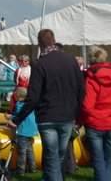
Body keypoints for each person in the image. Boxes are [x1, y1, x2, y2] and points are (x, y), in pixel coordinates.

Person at [8, 29, 85, 181]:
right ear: (54, 40)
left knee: (52, 158)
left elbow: (33, 97)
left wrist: (16, 119)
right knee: (58, 157)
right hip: (66, 116)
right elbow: (81, 90)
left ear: (39, 44)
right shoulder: (70, 61)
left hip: (48, 117)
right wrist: (76, 111)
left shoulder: (40, 64)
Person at [78, 45, 111, 181]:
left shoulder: (91, 78)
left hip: (95, 122)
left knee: (99, 161)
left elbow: (87, 105)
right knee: (108, 159)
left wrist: (82, 120)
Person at [6, 87, 37, 176]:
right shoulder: (30, 105)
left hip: (23, 130)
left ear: (18, 96)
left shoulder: (18, 105)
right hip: (31, 130)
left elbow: (17, 117)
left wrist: (9, 117)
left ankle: (20, 170)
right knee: (29, 150)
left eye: (15, 95)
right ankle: (32, 168)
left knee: (22, 151)